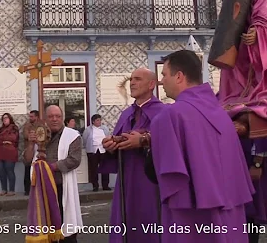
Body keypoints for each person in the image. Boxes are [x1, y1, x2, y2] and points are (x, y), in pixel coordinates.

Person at [147, 50, 254, 242]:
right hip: (230, 216)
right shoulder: (222, 113)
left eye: (164, 74)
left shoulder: (169, 116)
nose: (161, 81)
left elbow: (155, 171)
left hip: (192, 217)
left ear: (179, 76)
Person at [100, 67, 166, 243]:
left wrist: (145, 140)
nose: (132, 83)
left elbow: (170, 143)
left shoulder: (163, 112)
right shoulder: (126, 114)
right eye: (131, 79)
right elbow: (118, 143)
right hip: (126, 178)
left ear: (151, 84)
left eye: (138, 79)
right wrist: (111, 145)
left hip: (150, 181)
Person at [24, 105, 83, 242]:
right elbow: (27, 161)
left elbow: (74, 160)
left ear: (62, 118)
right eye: (51, 116)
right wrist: (31, 144)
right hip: (41, 189)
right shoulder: (40, 134)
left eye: (58, 116)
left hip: (61, 187)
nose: (54, 119)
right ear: (45, 119)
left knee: (65, 230)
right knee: (45, 226)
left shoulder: (72, 136)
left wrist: (50, 168)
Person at [82, 114, 110, 191]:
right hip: (92, 151)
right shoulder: (88, 130)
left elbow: (108, 137)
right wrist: (86, 148)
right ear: (93, 121)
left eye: (100, 120)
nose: (99, 122)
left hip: (103, 150)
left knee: (105, 168)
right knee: (93, 169)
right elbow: (84, 140)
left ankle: (105, 185)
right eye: (97, 120)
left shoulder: (105, 129)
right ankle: (95, 185)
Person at [0, 113, 19, 196]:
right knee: (1, 171)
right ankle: (4, 189)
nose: (5, 119)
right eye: (3, 118)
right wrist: (4, 141)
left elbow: (13, 138)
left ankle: (12, 190)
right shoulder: (0, 129)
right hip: (0, 153)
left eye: (6, 118)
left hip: (10, 153)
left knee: (9, 171)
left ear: (10, 119)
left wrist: (2, 139)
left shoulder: (14, 128)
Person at [21, 110, 39, 196]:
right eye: (30, 116)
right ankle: (27, 190)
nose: (30, 118)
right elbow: (25, 135)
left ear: (36, 117)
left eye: (32, 116)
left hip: (38, 149)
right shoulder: (27, 125)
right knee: (27, 169)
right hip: (29, 149)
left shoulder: (41, 125)